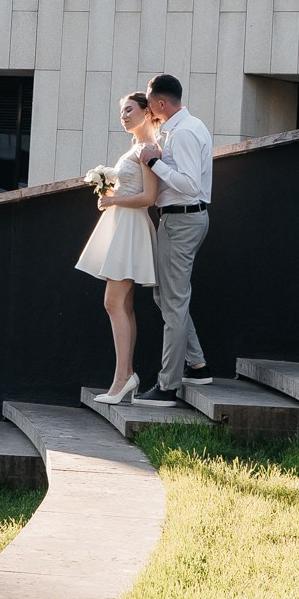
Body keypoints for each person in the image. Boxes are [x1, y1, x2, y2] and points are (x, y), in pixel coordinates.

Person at [133, 72, 214, 402]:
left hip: (183, 221)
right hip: (180, 221)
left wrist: (154, 163)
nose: (149, 108)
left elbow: (191, 186)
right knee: (166, 297)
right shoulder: (185, 128)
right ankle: (196, 366)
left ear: (161, 103)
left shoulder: (183, 133)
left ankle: (168, 385)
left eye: (150, 103)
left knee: (173, 302)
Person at [75, 90, 159, 403]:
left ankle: (123, 377)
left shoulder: (148, 149)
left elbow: (149, 197)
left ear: (145, 112)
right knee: (120, 304)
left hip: (132, 228)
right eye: (121, 111)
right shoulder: (135, 147)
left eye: (129, 110)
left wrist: (114, 199)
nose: (123, 116)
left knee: (114, 302)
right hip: (122, 225)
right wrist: (109, 193)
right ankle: (124, 376)